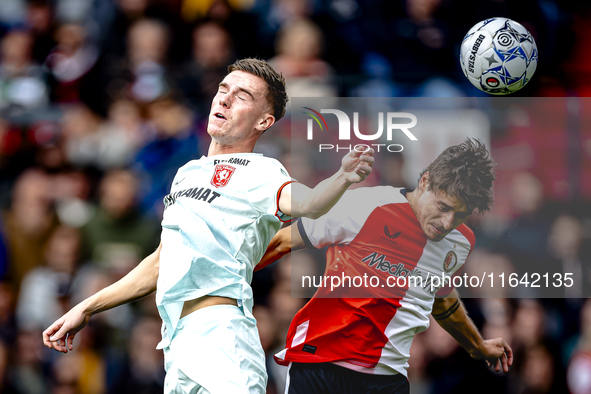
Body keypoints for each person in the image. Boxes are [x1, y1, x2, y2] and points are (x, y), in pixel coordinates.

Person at [42, 58, 375, 394]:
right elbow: (160, 262)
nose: (225, 99)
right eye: (223, 89)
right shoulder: (187, 173)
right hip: (175, 339)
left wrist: (342, 177)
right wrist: (86, 307)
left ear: (264, 121)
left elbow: (310, 203)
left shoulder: (261, 171)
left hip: (222, 335)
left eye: (242, 96)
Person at [257, 138, 512, 394]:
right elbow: (279, 243)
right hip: (321, 363)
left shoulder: (461, 241)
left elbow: (440, 298)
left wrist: (476, 345)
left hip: (388, 378)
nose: (447, 223)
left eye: (460, 214)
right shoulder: (365, 205)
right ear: (424, 182)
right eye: (443, 207)